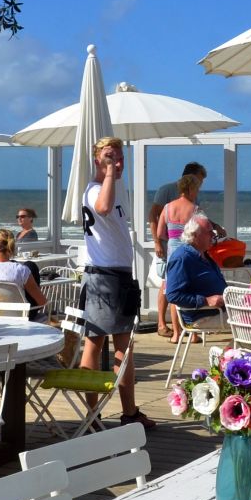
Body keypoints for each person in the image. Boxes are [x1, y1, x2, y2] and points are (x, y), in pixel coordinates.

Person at [79, 136, 155, 431]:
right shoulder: (97, 189)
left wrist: (112, 172)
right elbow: (103, 207)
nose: (117, 163)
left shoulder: (110, 187)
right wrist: (109, 172)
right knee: (97, 346)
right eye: (110, 157)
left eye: (120, 158)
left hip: (117, 276)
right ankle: (93, 415)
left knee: (121, 347)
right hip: (105, 276)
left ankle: (128, 412)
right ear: (97, 159)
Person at [154, 175, 202, 339]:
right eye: (196, 189)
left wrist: (173, 238)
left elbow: (160, 233)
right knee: (191, 291)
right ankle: (193, 334)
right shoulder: (195, 209)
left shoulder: (167, 208)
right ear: (189, 189)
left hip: (173, 252)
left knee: (174, 292)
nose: (197, 192)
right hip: (189, 252)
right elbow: (199, 234)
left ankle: (176, 333)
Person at [163, 214, 226, 327]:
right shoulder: (182, 258)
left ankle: (237, 345)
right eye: (209, 232)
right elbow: (173, 295)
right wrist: (206, 301)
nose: (213, 235)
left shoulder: (204, 254)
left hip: (221, 310)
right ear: (194, 235)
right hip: (203, 315)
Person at [0, 229, 47, 317]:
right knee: (31, 265)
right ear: (11, 246)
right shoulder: (21, 270)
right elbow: (42, 302)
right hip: (20, 317)